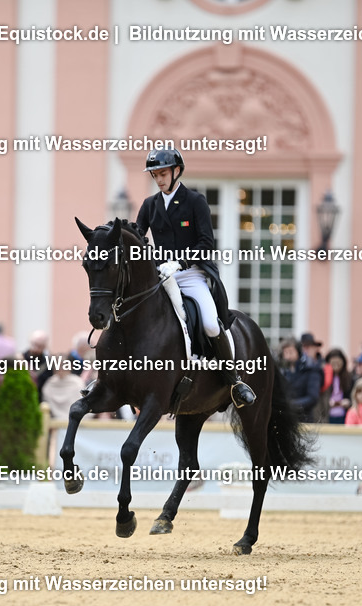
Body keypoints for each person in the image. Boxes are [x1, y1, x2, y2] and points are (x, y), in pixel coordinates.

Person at [135, 148, 254, 408]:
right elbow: (138, 235)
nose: (159, 179)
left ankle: (233, 382)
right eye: (155, 175)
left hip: (190, 274)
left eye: (163, 173)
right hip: (161, 277)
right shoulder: (149, 205)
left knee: (211, 324)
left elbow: (206, 243)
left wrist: (181, 262)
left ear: (177, 171)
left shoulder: (194, 201)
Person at [277, 337, 322, 423]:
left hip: (304, 418)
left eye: (290, 352)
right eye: (285, 353)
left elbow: (313, 398)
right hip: (286, 419)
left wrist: (290, 405)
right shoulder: (282, 372)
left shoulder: (311, 369)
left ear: (298, 352)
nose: (288, 356)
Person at [41, 354, 86, 420]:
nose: (61, 368)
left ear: (71, 366)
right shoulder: (49, 384)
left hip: (76, 422)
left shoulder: (78, 383)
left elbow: (83, 404)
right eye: (58, 365)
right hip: (55, 424)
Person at [321, 348, 353, 424]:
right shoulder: (323, 377)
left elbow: (353, 396)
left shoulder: (349, 377)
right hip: (327, 415)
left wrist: (349, 402)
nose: (336, 366)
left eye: (338, 363)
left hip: (344, 415)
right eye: (333, 363)